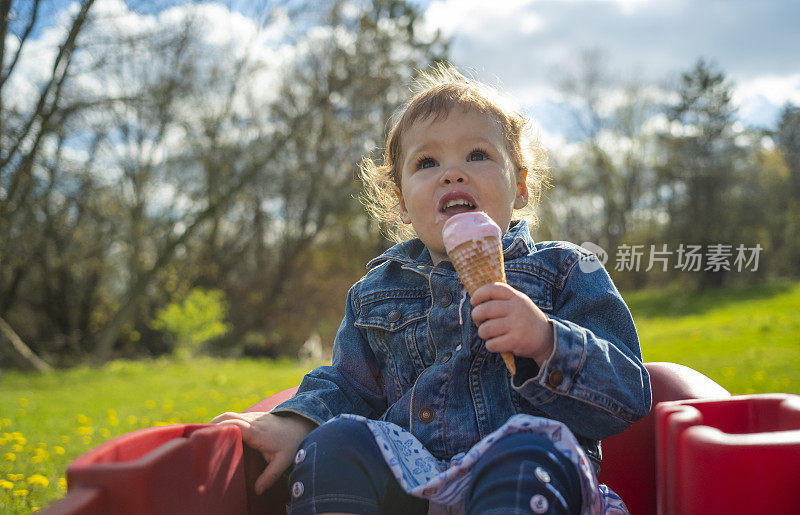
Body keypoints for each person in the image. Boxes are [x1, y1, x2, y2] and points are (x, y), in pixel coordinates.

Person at [212, 65, 651, 515]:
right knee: (334, 443)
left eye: (478, 155)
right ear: (402, 202)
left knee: (525, 450)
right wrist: (298, 421)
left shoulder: (565, 269)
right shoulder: (375, 293)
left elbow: (629, 395)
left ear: (519, 186)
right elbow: (348, 385)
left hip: (531, 477)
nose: (452, 174)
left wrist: (545, 340)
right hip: (411, 484)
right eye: (427, 163)